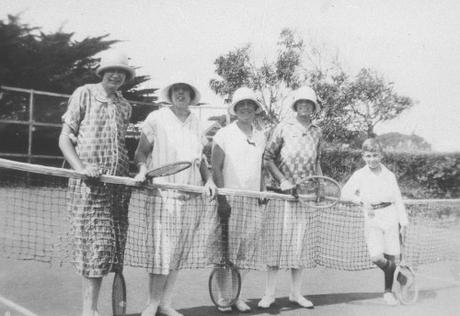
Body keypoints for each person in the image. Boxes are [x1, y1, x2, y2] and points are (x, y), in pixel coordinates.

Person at [58, 50, 135, 316]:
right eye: (111, 70)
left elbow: (120, 146)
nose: (116, 75)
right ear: (102, 72)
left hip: (118, 189)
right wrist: (82, 170)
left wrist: (131, 175)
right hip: (89, 187)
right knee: (95, 248)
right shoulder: (84, 93)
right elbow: (65, 139)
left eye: (121, 72)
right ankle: (88, 311)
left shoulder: (125, 106)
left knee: (108, 251)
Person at [134, 79, 216, 316]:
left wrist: (209, 180)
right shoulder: (156, 118)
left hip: (191, 198)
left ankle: (165, 304)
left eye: (185, 91)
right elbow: (140, 152)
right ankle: (151, 304)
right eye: (176, 90)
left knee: (178, 253)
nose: (181, 94)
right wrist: (142, 170)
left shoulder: (197, 124)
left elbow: (200, 160)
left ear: (192, 96)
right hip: (163, 196)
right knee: (161, 253)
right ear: (170, 94)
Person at [259, 86, 322, 309]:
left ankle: (296, 293)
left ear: (313, 107)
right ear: (295, 105)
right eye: (301, 102)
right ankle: (269, 294)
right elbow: (267, 158)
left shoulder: (317, 131)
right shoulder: (282, 127)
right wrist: (283, 181)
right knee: (276, 244)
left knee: (299, 246)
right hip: (280, 194)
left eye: (309, 103)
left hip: (306, 195)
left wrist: (320, 185)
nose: (304, 106)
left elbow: (316, 162)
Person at [211, 86, 266, 312]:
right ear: (235, 109)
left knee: (244, 252)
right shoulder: (223, 134)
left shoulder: (261, 135)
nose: (245, 108)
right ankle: (224, 297)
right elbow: (215, 167)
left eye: (249, 104)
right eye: (241, 104)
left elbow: (262, 168)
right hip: (229, 200)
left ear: (255, 109)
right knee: (225, 252)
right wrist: (223, 199)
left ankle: (237, 295)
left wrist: (262, 193)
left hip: (252, 201)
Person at [341, 138, 408, 305]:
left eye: (375, 155)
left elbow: (398, 199)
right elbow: (345, 194)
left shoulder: (389, 175)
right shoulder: (359, 174)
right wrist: (361, 200)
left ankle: (388, 292)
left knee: (391, 255)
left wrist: (403, 223)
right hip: (372, 219)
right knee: (376, 257)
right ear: (363, 156)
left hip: (391, 216)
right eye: (368, 155)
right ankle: (399, 275)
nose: (372, 159)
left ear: (381, 155)